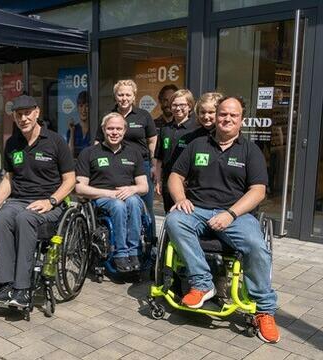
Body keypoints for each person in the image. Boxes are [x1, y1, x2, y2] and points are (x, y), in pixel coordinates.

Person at [165, 97, 279, 343]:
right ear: (216, 116)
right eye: (223, 114)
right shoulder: (196, 144)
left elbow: (258, 190)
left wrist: (230, 214)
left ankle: (264, 310)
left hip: (236, 214)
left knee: (257, 245)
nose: (227, 119)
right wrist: (180, 197)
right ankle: (203, 283)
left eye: (233, 116)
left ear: (241, 121)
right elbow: (175, 175)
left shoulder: (251, 150)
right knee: (174, 221)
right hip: (197, 208)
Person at [0, 95, 75, 307]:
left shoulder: (55, 141)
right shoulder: (12, 143)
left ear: (37, 113)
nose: (23, 118)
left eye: (27, 113)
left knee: (26, 218)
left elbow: (70, 180)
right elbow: (8, 179)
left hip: (49, 203)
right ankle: (7, 285)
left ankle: (22, 289)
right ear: (14, 117)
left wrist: (51, 201)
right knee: (2, 217)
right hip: (19, 199)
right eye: (19, 114)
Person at [76, 112, 148, 272]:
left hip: (129, 197)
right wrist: (110, 194)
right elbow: (80, 188)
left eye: (118, 129)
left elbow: (144, 187)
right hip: (102, 199)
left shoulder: (134, 153)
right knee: (118, 205)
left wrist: (132, 189)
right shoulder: (89, 153)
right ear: (103, 129)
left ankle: (134, 251)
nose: (114, 132)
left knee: (135, 201)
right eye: (110, 129)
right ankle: (120, 253)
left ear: (124, 131)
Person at [95, 80, 157, 240]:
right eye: (120, 94)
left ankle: (150, 246)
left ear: (134, 96)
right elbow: (98, 142)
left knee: (145, 207)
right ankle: (118, 242)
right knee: (120, 204)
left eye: (128, 94)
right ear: (115, 96)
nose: (124, 98)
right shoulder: (107, 117)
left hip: (140, 167)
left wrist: (154, 166)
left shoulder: (144, 116)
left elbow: (152, 142)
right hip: (114, 166)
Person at [154, 89, 200, 212]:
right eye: (174, 105)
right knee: (169, 213)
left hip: (188, 184)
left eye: (182, 105)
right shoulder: (165, 129)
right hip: (167, 183)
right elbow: (159, 158)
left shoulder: (197, 130)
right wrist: (158, 180)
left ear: (190, 106)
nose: (178, 108)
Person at [66, 90, 90, 157]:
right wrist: (72, 132)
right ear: (77, 108)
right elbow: (69, 156)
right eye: (81, 106)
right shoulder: (72, 130)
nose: (84, 110)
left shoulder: (95, 129)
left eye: (87, 106)